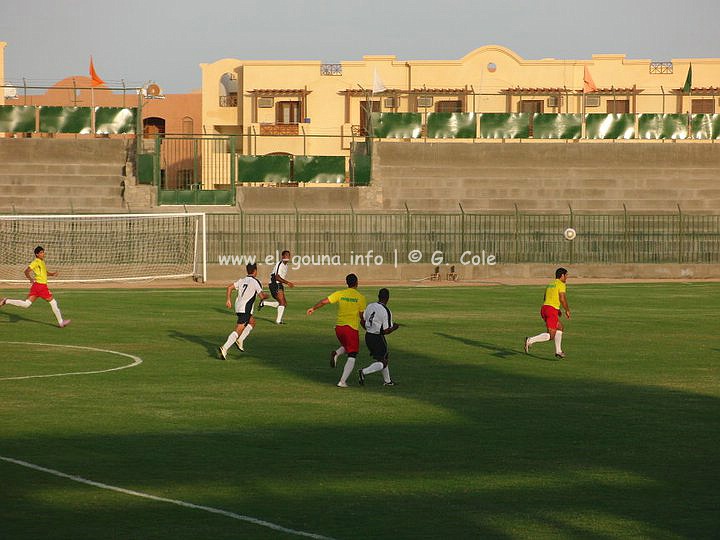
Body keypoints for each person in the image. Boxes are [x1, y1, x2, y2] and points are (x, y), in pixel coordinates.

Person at [306, 273, 367, 388]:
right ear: (357, 283)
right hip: (351, 328)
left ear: (347, 283)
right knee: (352, 354)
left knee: (346, 346)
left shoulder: (340, 293)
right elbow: (361, 316)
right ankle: (342, 381)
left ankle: (336, 353)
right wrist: (367, 327)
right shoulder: (360, 297)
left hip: (339, 328)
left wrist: (313, 308)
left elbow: (324, 301)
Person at [0, 246, 71, 328]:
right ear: (37, 254)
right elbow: (26, 271)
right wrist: (30, 279)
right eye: (41, 252)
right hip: (41, 287)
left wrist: (52, 274)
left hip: (37, 286)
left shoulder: (42, 262)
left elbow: (44, 272)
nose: (43, 254)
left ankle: (6, 301)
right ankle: (61, 322)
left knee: (26, 304)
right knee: (53, 302)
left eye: (43, 252)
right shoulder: (36, 262)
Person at [218, 262, 268, 360]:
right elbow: (261, 296)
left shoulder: (242, 280)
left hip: (238, 306)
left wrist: (228, 300)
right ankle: (224, 348)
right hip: (245, 308)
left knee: (252, 322)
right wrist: (267, 296)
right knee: (239, 329)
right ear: (255, 271)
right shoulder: (255, 281)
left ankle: (240, 340)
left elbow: (229, 287)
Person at [524, 267, 571, 359]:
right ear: (562, 275)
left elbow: (545, 297)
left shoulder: (550, 284)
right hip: (551, 310)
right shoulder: (561, 284)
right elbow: (562, 298)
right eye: (566, 275)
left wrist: (557, 309)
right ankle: (530, 340)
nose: (567, 278)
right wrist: (567, 310)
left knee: (560, 327)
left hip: (545, 308)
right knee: (551, 336)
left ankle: (558, 351)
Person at [358, 288, 400, 387]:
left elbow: (362, 321)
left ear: (378, 296)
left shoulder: (370, 305)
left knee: (383, 357)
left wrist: (369, 328)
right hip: (377, 337)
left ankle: (388, 381)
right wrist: (394, 327)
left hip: (368, 336)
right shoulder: (386, 311)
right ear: (388, 298)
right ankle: (363, 372)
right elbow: (386, 331)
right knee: (383, 362)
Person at [258, 250, 294, 324]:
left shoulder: (286, 265)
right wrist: (287, 282)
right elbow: (277, 277)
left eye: (289, 256)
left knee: (284, 304)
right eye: (286, 255)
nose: (288, 257)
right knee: (282, 303)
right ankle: (278, 321)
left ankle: (264, 303)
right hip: (275, 284)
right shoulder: (280, 264)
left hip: (279, 284)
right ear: (283, 256)